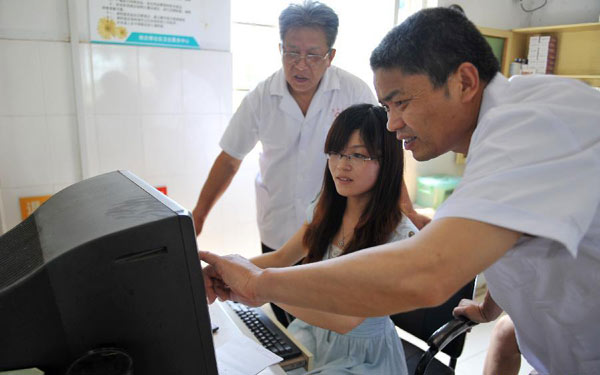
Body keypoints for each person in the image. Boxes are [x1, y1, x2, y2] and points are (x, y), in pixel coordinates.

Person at [200, 7, 600, 375]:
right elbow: (510, 238)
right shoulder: (492, 142)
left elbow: (429, 273)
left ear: (464, 81)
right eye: (386, 108)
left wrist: (259, 284)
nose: (392, 125)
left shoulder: (532, 127)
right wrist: (488, 307)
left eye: (400, 103)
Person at [192, 0, 428, 326]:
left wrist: (406, 209)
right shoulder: (261, 98)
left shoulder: (354, 92)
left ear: (330, 55)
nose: (300, 65)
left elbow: (386, 152)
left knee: (313, 307)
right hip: (298, 220)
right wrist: (204, 230)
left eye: (313, 55)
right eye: (291, 53)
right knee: (292, 328)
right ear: (280, 50)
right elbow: (229, 159)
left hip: (342, 226)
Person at [242, 103, 415, 374]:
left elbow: (346, 320)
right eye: (335, 153)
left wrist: (259, 287)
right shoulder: (325, 211)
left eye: (357, 156)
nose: (341, 165)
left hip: (362, 357)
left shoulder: (398, 237)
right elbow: (281, 258)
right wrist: (223, 268)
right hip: (314, 333)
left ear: (387, 161)